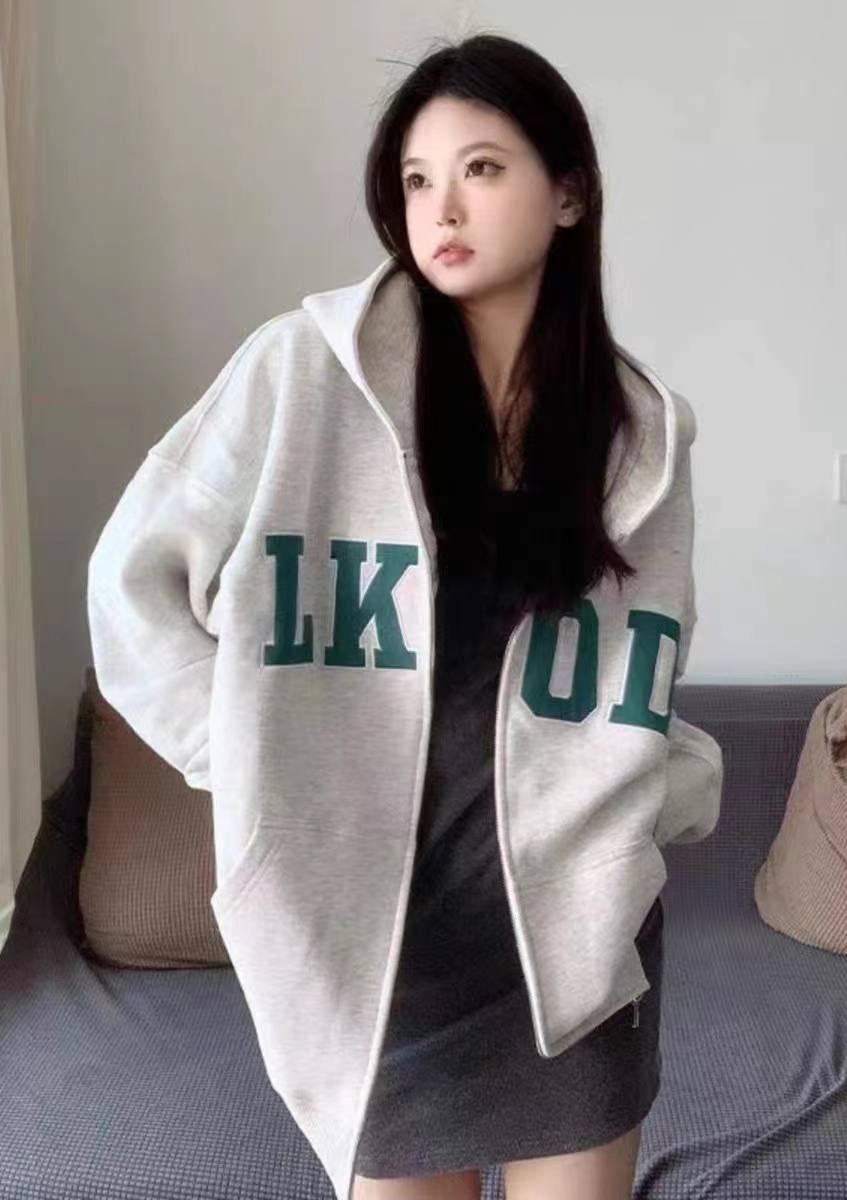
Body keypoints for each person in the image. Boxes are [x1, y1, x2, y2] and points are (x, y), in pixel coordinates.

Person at [86, 31, 722, 1200]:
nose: (444, 207)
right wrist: (256, 757)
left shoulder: (641, 435)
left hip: (573, 950)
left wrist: (651, 802)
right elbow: (131, 587)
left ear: (569, 193)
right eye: (418, 179)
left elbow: (644, 663)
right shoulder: (300, 373)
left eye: (482, 168)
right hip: (377, 957)